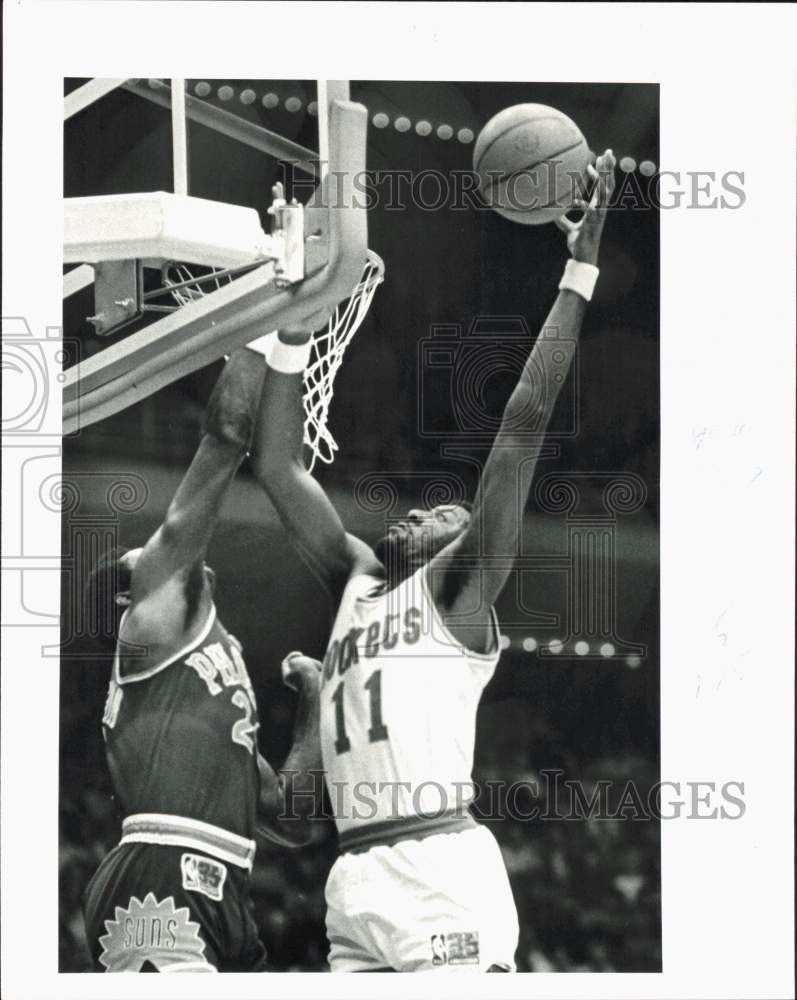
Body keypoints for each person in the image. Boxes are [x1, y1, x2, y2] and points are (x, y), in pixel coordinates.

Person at [252, 151, 617, 972]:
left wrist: (579, 273)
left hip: (437, 872)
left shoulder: (458, 594)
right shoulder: (356, 577)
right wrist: (292, 327)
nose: (422, 509)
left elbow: (521, 426)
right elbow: (277, 466)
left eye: (444, 513)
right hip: (352, 877)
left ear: (464, 543)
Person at [81, 349, 323, 973]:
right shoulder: (151, 626)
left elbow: (292, 821)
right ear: (124, 600)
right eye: (145, 558)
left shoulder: (210, 667)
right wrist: (263, 336)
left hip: (224, 884)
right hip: (162, 870)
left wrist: (316, 706)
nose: (161, 554)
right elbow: (223, 440)